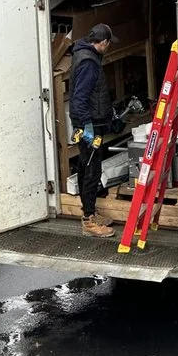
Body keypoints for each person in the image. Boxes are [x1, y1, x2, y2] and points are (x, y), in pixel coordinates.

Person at [69, 23, 119, 238]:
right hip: (89, 125)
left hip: (90, 122)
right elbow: (80, 98)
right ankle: (89, 220)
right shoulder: (89, 63)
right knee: (91, 169)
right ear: (104, 42)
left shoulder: (84, 54)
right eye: (108, 43)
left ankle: (89, 211)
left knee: (85, 165)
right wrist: (87, 125)